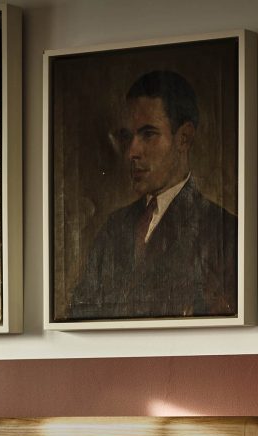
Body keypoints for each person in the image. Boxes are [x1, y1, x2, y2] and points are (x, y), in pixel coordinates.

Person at [70, 70, 237, 320]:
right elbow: (79, 314)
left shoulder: (224, 233)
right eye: (128, 136)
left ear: (184, 138)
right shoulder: (114, 228)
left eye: (148, 134)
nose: (132, 152)